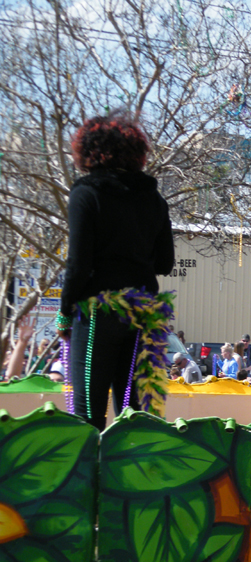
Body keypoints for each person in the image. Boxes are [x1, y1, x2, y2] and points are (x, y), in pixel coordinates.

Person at [57, 110, 175, 430]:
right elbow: (166, 264)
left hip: (98, 311)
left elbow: (78, 265)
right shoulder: (154, 200)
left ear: (88, 151)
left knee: (87, 415)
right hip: (145, 313)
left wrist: (64, 313)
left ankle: (91, 479)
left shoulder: (86, 194)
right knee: (138, 416)